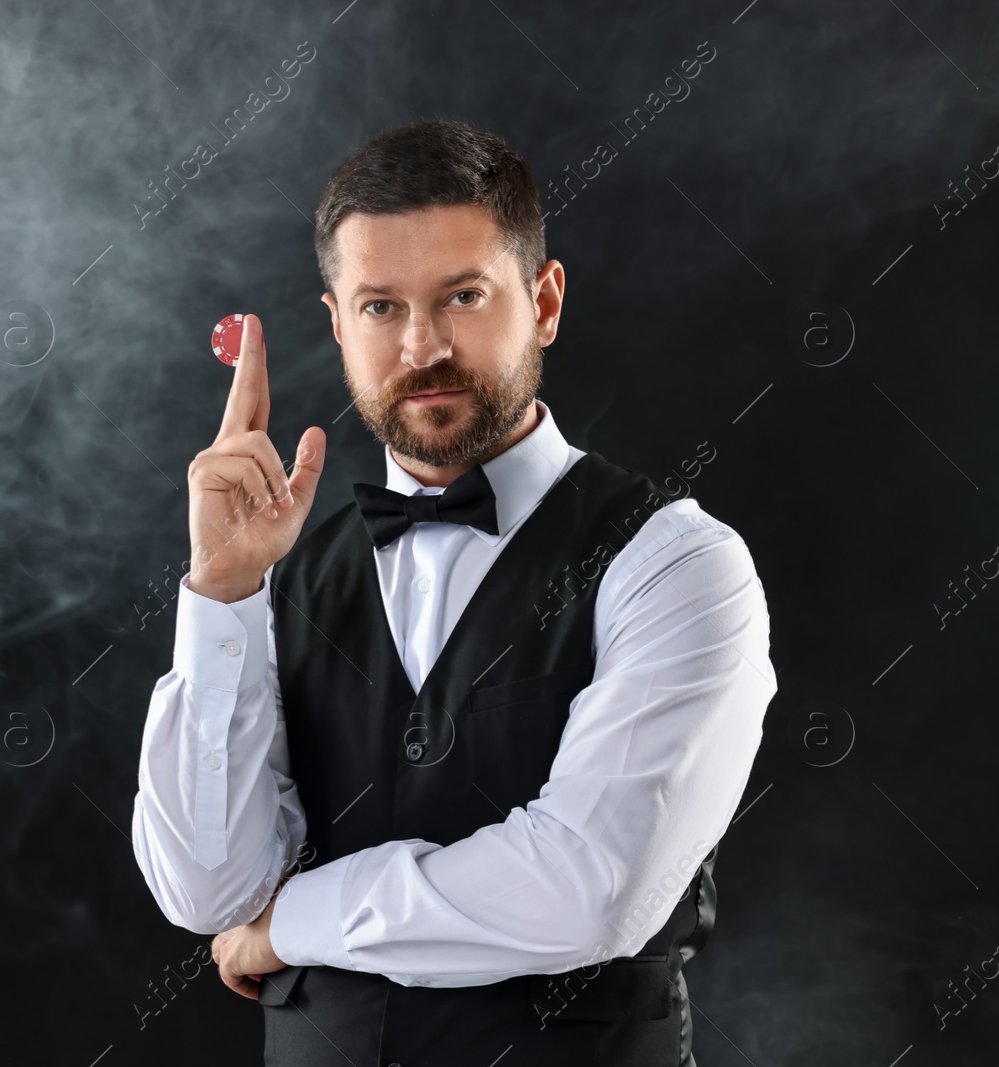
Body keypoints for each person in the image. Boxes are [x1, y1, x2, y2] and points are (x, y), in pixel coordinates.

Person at [131, 118, 776, 1067]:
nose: (422, 346)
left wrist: (289, 926)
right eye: (381, 307)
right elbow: (204, 891)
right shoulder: (275, 579)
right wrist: (221, 594)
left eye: (463, 295)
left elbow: (588, 889)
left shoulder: (678, 566)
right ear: (338, 323)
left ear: (545, 301)